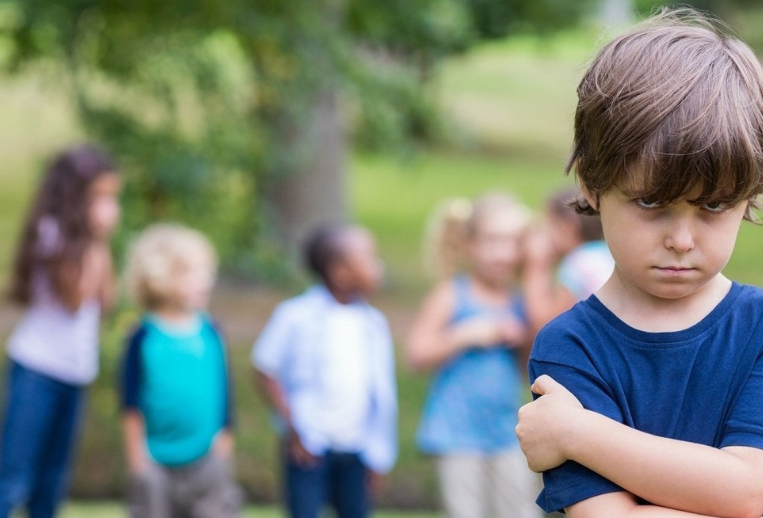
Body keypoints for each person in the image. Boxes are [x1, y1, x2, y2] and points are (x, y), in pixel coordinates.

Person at [512, 9, 763, 518]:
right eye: (650, 204)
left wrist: (577, 432)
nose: (682, 240)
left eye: (713, 206)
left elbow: (746, 490)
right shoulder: (570, 345)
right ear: (592, 187)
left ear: (747, 199)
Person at [0, 145, 120, 518]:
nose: (108, 207)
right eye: (100, 196)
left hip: (76, 370)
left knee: (52, 481)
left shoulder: (90, 246)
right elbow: (74, 298)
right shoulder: (50, 234)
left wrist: (101, 243)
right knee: (15, 476)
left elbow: (104, 302)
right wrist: (97, 239)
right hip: (38, 368)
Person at [406, 193, 540, 518]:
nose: (504, 253)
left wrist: (523, 337)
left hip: (506, 430)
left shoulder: (518, 301)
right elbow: (416, 354)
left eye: (512, 243)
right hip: (457, 434)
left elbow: (528, 371)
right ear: (468, 245)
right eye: (492, 242)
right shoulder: (453, 294)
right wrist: (466, 334)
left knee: (522, 509)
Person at [251, 224, 397, 518]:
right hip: (309, 444)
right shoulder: (296, 315)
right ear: (340, 272)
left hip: (359, 448)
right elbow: (265, 368)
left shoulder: (374, 324)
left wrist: (379, 453)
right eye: (368, 258)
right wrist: (293, 427)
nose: (378, 266)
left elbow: (380, 390)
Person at [119, 223, 242, 518]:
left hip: (207, 459)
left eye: (205, 272)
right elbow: (130, 403)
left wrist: (224, 443)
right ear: (159, 276)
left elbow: (224, 389)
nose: (204, 281)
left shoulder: (211, 332)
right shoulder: (142, 337)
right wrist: (138, 461)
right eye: (189, 273)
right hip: (156, 462)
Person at [524, 188, 614, 333]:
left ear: (568, 225)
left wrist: (537, 265)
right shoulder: (605, 254)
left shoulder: (579, 263)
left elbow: (545, 324)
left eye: (546, 224)